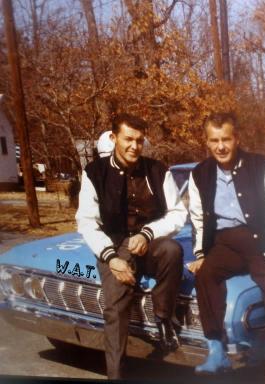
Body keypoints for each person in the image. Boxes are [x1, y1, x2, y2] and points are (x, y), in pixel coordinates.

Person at [187, 112, 265, 383]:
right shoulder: (200, 173)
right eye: (214, 140)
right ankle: (217, 351)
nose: (221, 147)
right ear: (207, 141)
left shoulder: (262, 166)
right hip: (225, 243)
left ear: (236, 138)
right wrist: (201, 254)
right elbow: (197, 217)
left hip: (261, 243)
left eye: (226, 139)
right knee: (205, 274)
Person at [76, 113, 187, 379]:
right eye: (128, 139)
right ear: (114, 138)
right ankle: (116, 374)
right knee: (116, 306)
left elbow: (177, 213)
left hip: (149, 244)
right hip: (113, 246)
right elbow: (86, 221)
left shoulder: (158, 170)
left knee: (173, 250)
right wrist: (111, 258)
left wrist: (148, 233)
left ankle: (163, 319)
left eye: (139, 140)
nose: (134, 146)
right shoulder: (94, 173)